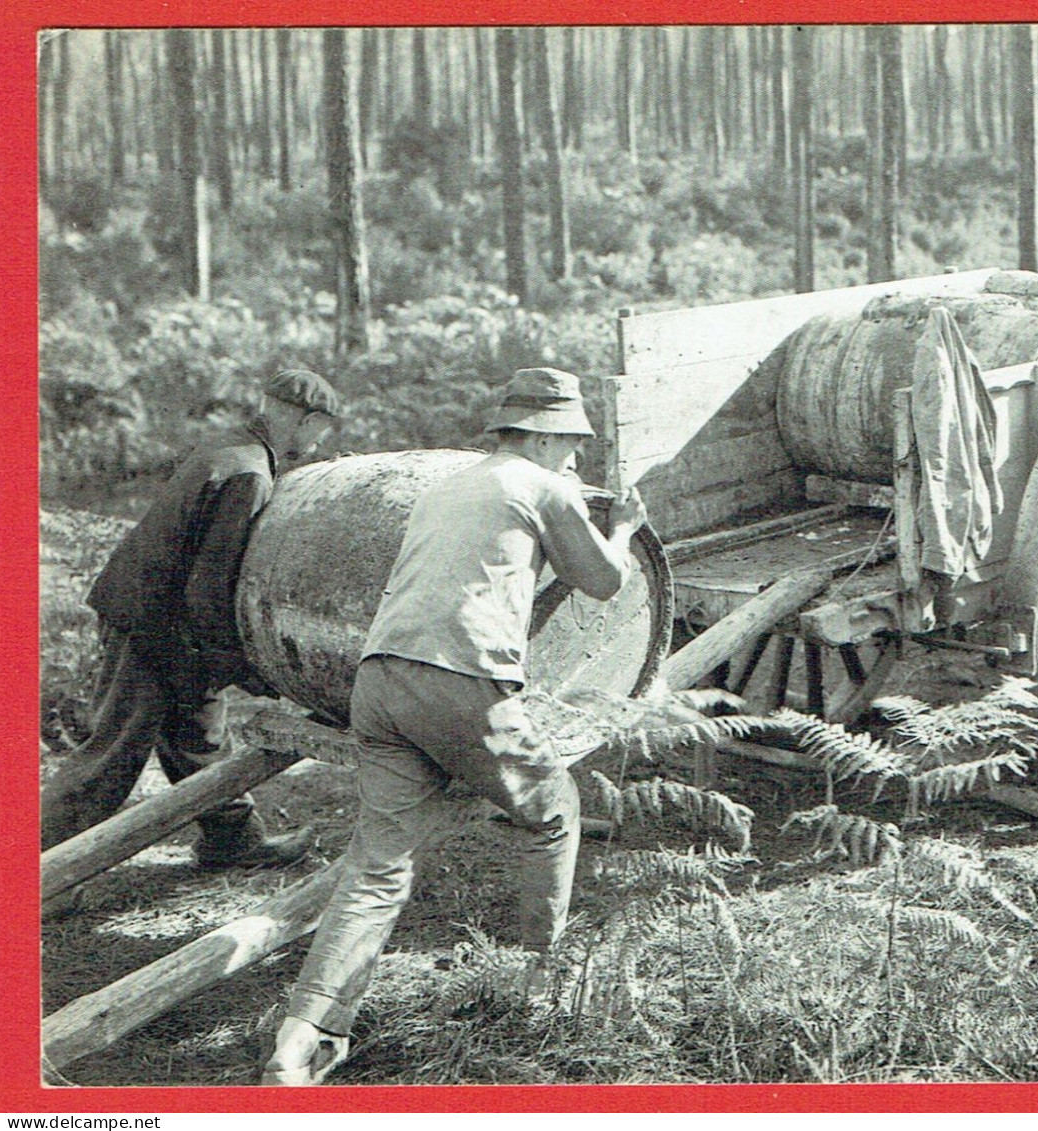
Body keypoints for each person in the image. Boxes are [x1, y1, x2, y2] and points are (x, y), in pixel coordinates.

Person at [263, 367, 646, 1085]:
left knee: (376, 868)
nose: (576, 458)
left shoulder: (450, 484)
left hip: (376, 680)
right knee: (556, 808)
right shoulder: (541, 484)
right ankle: (543, 977)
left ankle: (304, 1035)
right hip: (457, 678)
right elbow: (606, 582)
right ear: (538, 433)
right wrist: (621, 528)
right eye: (570, 442)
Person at [41, 370, 341, 869]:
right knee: (113, 751)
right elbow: (209, 583)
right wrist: (237, 663)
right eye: (320, 431)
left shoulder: (231, 448)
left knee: (198, 732)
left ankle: (232, 840)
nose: (318, 443)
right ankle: (40, 869)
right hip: (148, 622)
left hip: (162, 618)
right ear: (307, 420)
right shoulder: (249, 473)